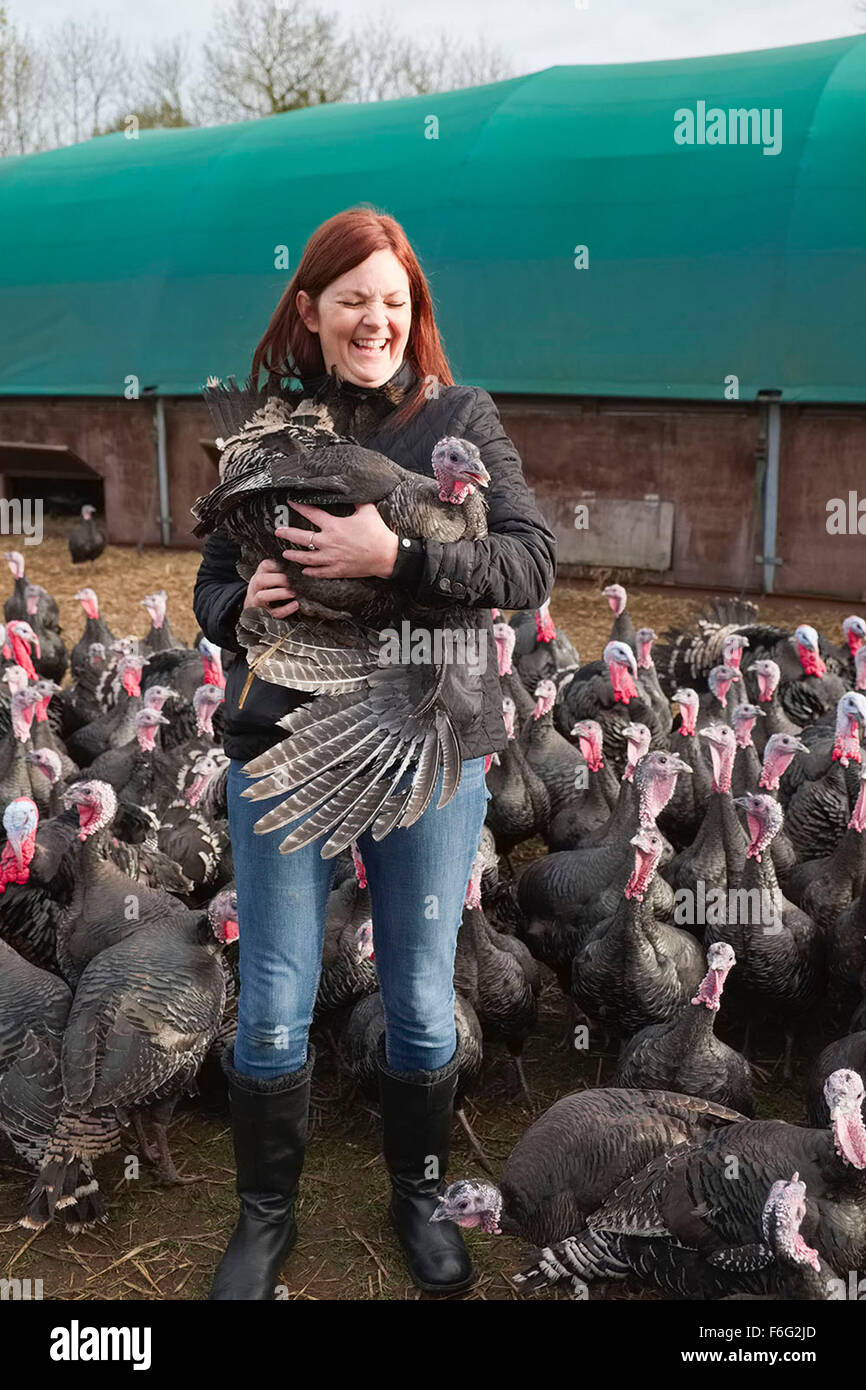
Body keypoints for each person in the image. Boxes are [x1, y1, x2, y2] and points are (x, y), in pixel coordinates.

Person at [193, 205, 556, 1300]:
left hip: (425, 740)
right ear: (310, 310)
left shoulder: (460, 417)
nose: (374, 319)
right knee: (272, 994)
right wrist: (235, 600)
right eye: (352, 297)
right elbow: (210, 583)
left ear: (414, 313)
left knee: (413, 990)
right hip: (289, 740)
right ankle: (265, 1216)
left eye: (393, 301)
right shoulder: (270, 429)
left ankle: (423, 1196)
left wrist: (390, 552)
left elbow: (528, 563)